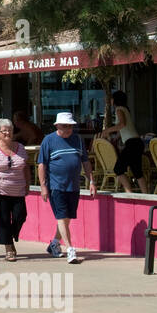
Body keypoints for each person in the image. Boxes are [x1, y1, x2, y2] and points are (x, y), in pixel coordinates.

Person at [38, 113, 95, 264]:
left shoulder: (78, 139)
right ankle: (70, 249)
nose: (68, 129)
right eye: (65, 126)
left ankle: (54, 243)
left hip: (73, 186)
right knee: (62, 217)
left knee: (66, 218)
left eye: (70, 126)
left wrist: (92, 181)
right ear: (57, 126)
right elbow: (41, 164)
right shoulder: (48, 140)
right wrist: (43, 186)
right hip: (56, 186)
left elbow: (85, 162)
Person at [0, 118, 32, 261]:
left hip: (18, 190)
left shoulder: (20, 148)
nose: (7, 133)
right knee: (3, 220)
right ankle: (9, 249)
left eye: (9, 130)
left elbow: (26, 168)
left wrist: (28, 184)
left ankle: (10, 235)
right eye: (4, 131)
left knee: (20, 216)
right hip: (1, 191)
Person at [99, 91, 147, 193]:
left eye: (112, 98)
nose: (110, 101)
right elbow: (124, 129)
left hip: (132, 144)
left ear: (115, 100)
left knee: (118, 169)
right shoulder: (125, 109)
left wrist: (107, 130)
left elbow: (122, 124)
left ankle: (129, 193)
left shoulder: (119, 109)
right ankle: (146, 196)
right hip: (137, 143)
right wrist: (115, 138)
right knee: (137, 172)